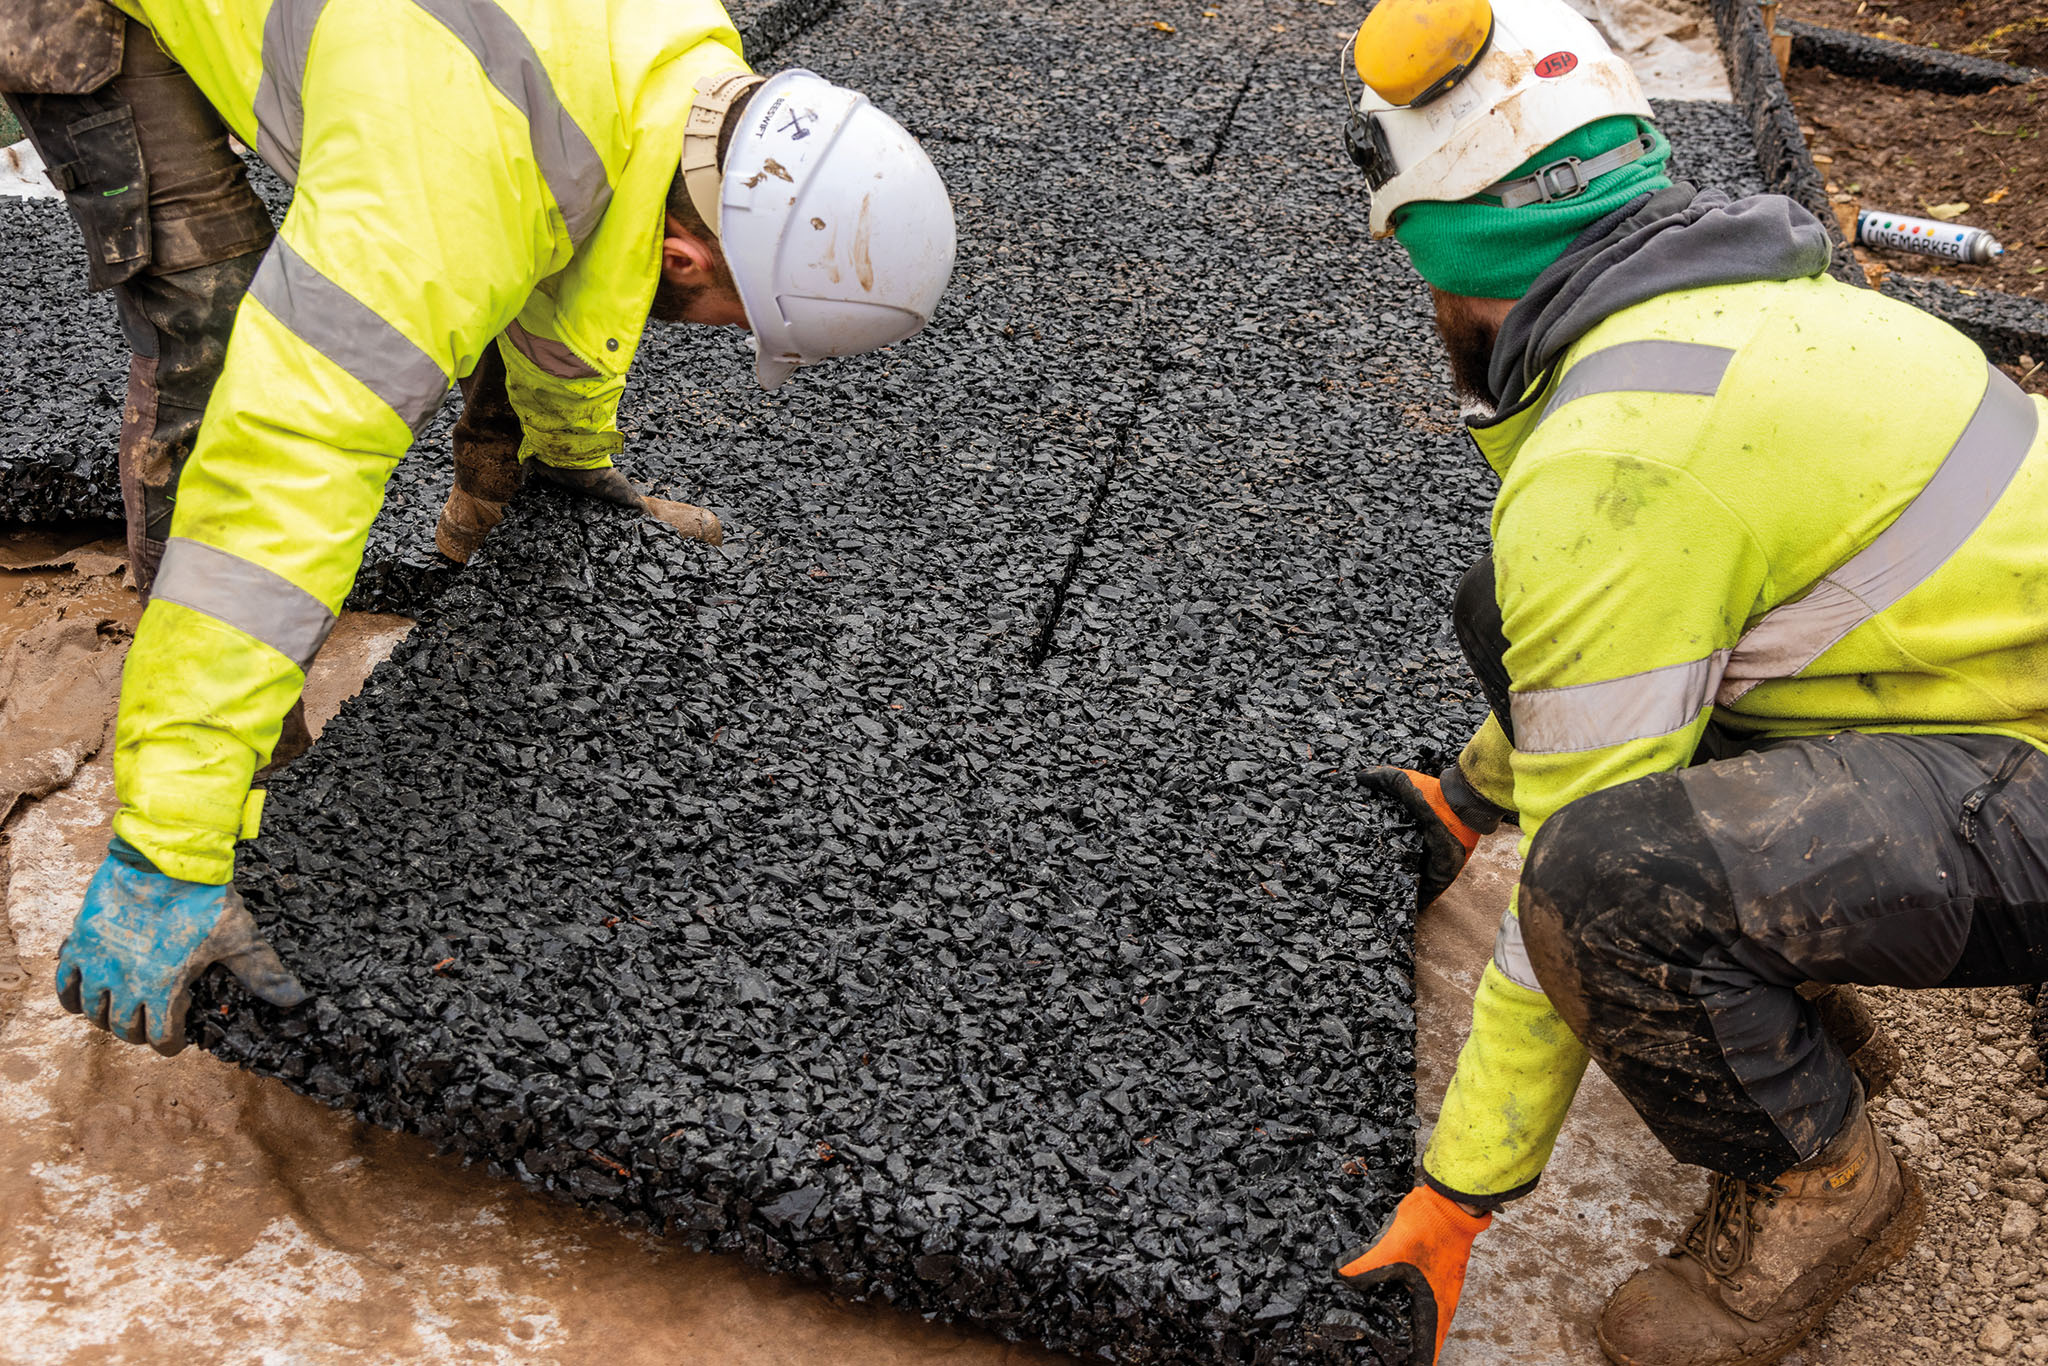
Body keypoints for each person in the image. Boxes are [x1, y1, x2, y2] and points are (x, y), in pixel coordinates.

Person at [2, 0, 956, 1056]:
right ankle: (232, 770)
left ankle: (493, 501)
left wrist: (569, 458)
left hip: (425, 80)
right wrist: (169, 839)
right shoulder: (445, 190)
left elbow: (586, 268)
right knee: (220, 344)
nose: (732, 339)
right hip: (93, 14)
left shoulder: (678, 73)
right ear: (690, 255)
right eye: (744, 317)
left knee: (521, 234)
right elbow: (280, 471)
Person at [1323, 0, 2048, 1361]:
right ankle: (1791, 1021)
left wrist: (1458, 1191)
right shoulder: (1736, 299)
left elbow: (1573, 867)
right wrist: (1468, 798)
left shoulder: (1625, 456)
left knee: (1606, 886)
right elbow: (1596, 648)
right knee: (1516, 610)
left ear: (1450, 253)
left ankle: (1821, 1183)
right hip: (1966, 701)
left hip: (2029, 786)